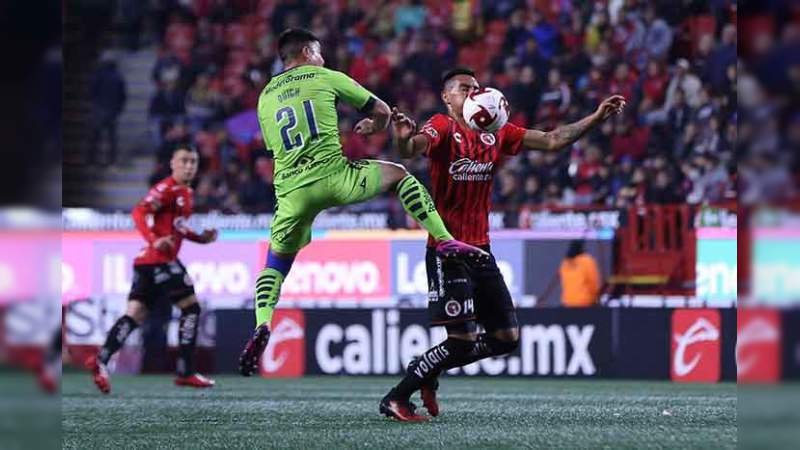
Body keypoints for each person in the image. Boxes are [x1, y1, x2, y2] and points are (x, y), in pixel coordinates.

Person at [237, 29, 488, 377]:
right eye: (319, 52)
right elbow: (382, 110)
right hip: (336, 176)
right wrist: (375, 125)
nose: (321, 58)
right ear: (309, 51)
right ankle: (444, 239)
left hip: (291, 193)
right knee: (400, 175)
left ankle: (263, 323)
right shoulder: (326, 76)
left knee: (276, 263)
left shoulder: (265, 97)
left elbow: (273, 150)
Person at [380, 67, 625, 421]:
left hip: (482, 251)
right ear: (447, 98)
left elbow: (552, 140)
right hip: (447, 251)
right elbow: (411, 149)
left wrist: (597, 117)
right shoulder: (442, 126)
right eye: (464, 89)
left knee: (506, 338)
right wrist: (403, 139)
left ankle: (425, 367)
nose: (473, 92)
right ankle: (396, 397)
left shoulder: (495, 132)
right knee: (461, 340)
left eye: (476, 87)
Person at [87, 145, 218, 394]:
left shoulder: (185, 192)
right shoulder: (166, 188)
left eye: (193, 161)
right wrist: (154, 239)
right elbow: (139, 211)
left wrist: (202, 238)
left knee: (135, 314)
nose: (189, 166)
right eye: (184, 161)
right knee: (191, 308)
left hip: (147, 263)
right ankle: (186, 371)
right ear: (172, 163)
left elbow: (179, 227)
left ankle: (101, 360)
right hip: (159, 259)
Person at [559, 240, 602, 307]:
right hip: (584, 303)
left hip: (567, 302)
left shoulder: (565, 263)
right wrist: (596, 299)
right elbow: (593, 283)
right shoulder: (587, 261)